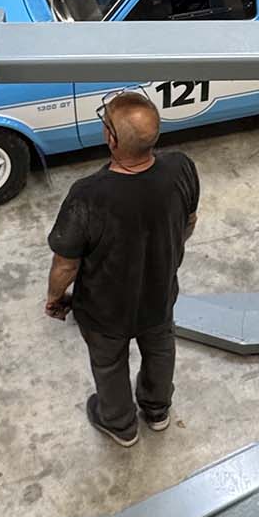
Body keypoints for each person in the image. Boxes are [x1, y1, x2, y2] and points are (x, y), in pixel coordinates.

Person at [45, 91, 200, 446]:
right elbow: (189, 221)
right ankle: (157, 410)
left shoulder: (87, 195)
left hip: (105, 310)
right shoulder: (181, 168)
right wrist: (165, 257)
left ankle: (120, 424)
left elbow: (66, 263)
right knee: (160, 348)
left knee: (109, 363)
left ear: (111, 139)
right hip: (159, 295)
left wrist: (55, 297)